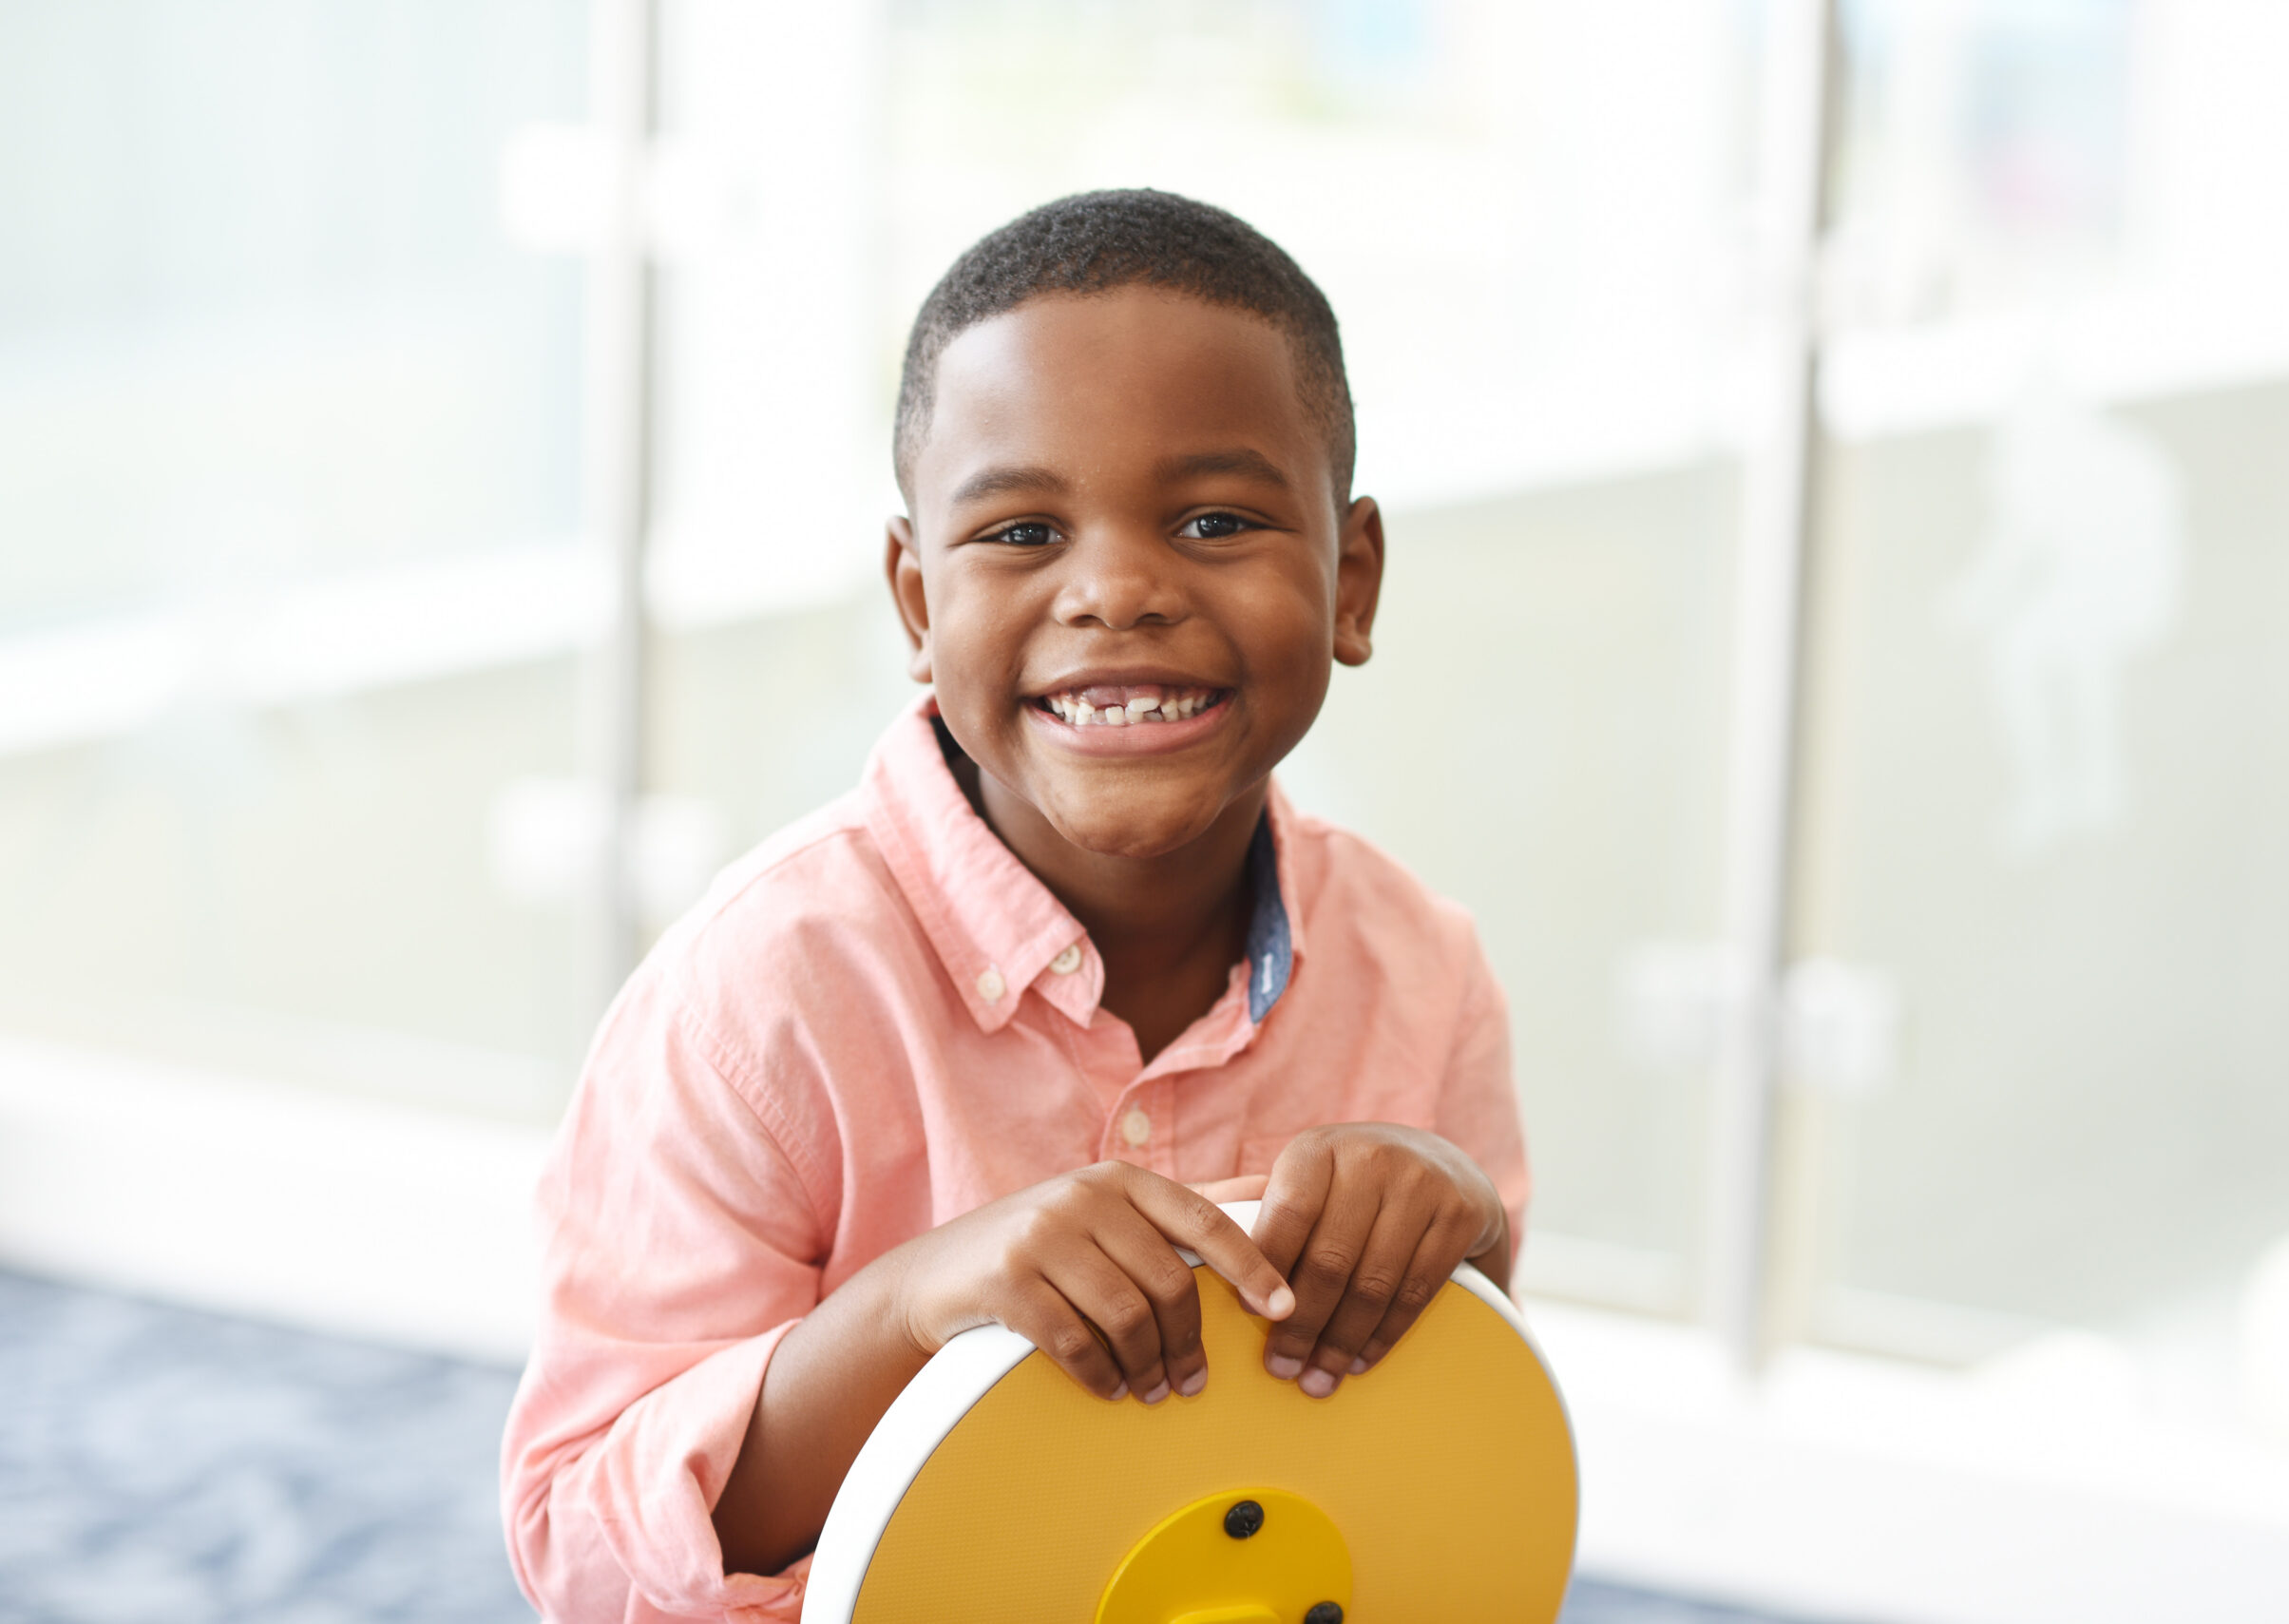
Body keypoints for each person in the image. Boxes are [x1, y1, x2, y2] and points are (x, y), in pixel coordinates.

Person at [500, 190, 1528, 1623]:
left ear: (1350, 582)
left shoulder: (1426, 972)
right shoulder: (758, 995)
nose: (1115, 589)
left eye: (1216, 519)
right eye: (1023, 530)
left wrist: (1463, 1237)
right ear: (917, 605)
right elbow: (578, 1542)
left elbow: (1451, 1454)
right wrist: (913, 1311)